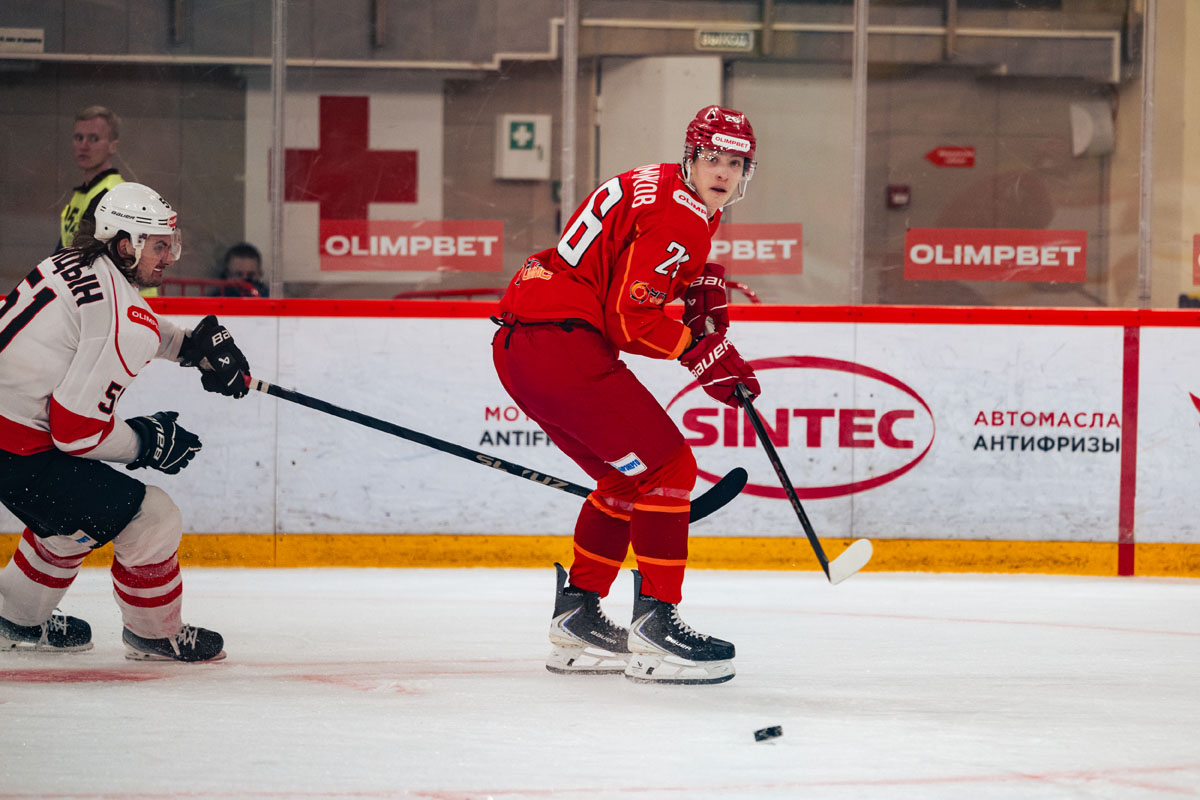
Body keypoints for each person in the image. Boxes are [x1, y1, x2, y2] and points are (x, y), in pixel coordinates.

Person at [491, 105, 762, 685]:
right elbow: (628, 322)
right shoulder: (683, 218)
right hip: (563, 345)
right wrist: (700, 350)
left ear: (747, 171)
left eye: (735, 163)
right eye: (712, 158)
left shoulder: (660, 183)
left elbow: (620, 265)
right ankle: (657, 626)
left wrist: (689, 284)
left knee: (624, 478)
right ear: (692, 157)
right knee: (669, 466)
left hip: (521, 345)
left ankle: (578, 618)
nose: (722, 171)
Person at [0, 182, 252, 662]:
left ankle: (17, 618)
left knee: (72, 520)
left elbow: (119, 321)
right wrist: (146, 442)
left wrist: (190, 347)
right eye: (159, 246)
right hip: (18, 453)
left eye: (170, 244)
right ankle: (155, 634)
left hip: (9, 438)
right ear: (124, 245)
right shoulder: (123, 314)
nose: (169, 257)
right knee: (152, 517)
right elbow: (75, 432)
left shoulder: (72, 261)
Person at [58, 106, 124, 253]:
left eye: (94, 139)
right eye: (79, 138)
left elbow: (90, 255)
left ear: (113, 146)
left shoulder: (110, 194)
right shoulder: (83, 193)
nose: (83, 146)